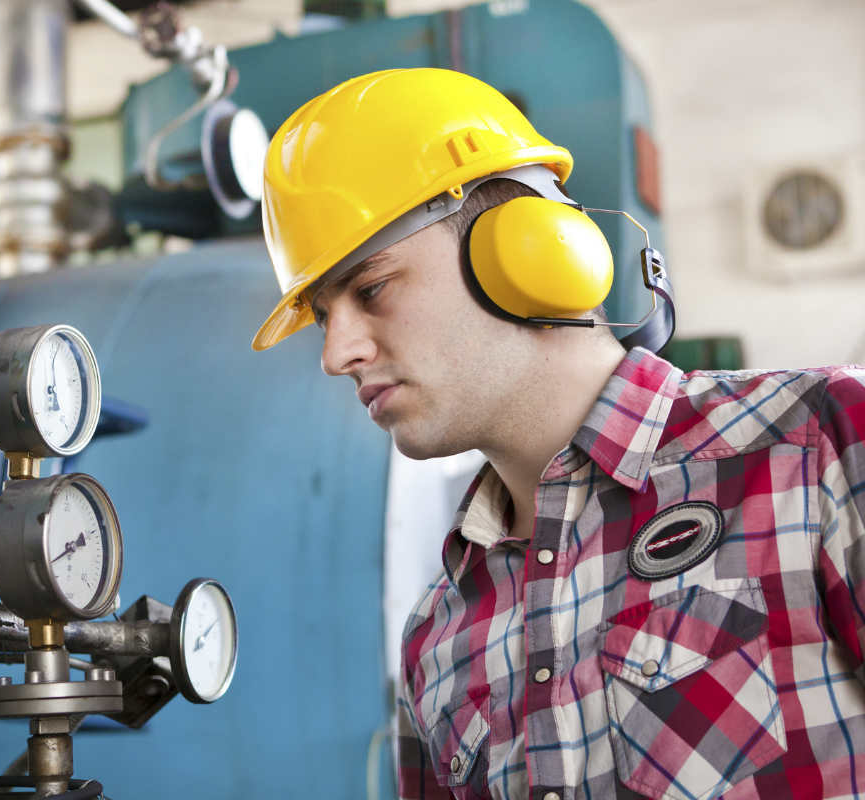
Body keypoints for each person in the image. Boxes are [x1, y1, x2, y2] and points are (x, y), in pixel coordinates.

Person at [250, 67, 865, 799]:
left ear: (523, 247)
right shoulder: (436, 638)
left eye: (370, 289)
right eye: (323, 316)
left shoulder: (816, 444)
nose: (335, 354)